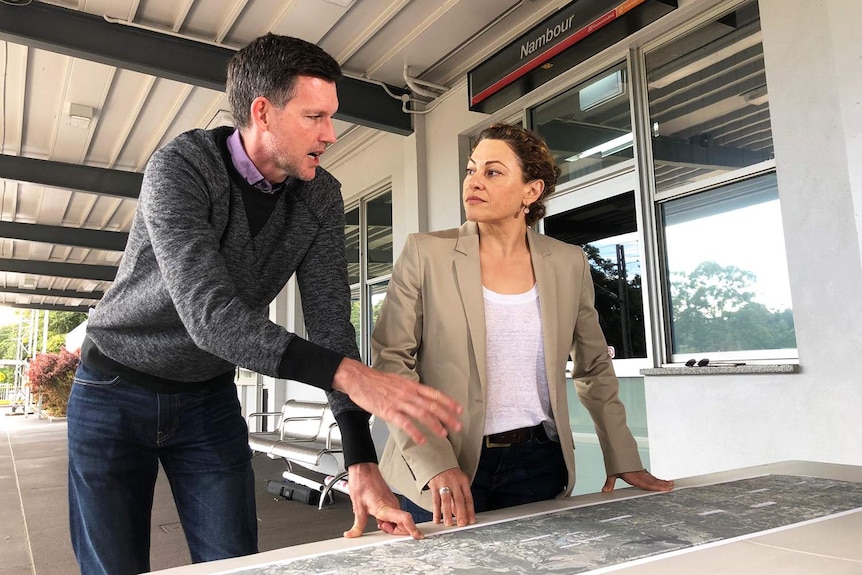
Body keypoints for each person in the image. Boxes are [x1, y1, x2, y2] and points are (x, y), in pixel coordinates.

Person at [67, 33, 462, 575]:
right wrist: (351, 377)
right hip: (115, 387)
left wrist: (360, 459)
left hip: (206, 400)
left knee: (236, 566)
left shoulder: (319, 194)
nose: (331, 134)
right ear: (263, 112)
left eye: (332, 116)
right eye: (315, 116)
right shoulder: (180, 169)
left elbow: (329, 322)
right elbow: (210, 317)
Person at [373, 123, 673, 527]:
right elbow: (392, 362)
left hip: (537, 463)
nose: (474, 182)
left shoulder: (568, 262)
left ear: (531, 191)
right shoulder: (426, 254)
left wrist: (621, 454)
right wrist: (434, 462)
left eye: (492, 172)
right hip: (444, 468)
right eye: (471, 169)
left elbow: (594, 366)